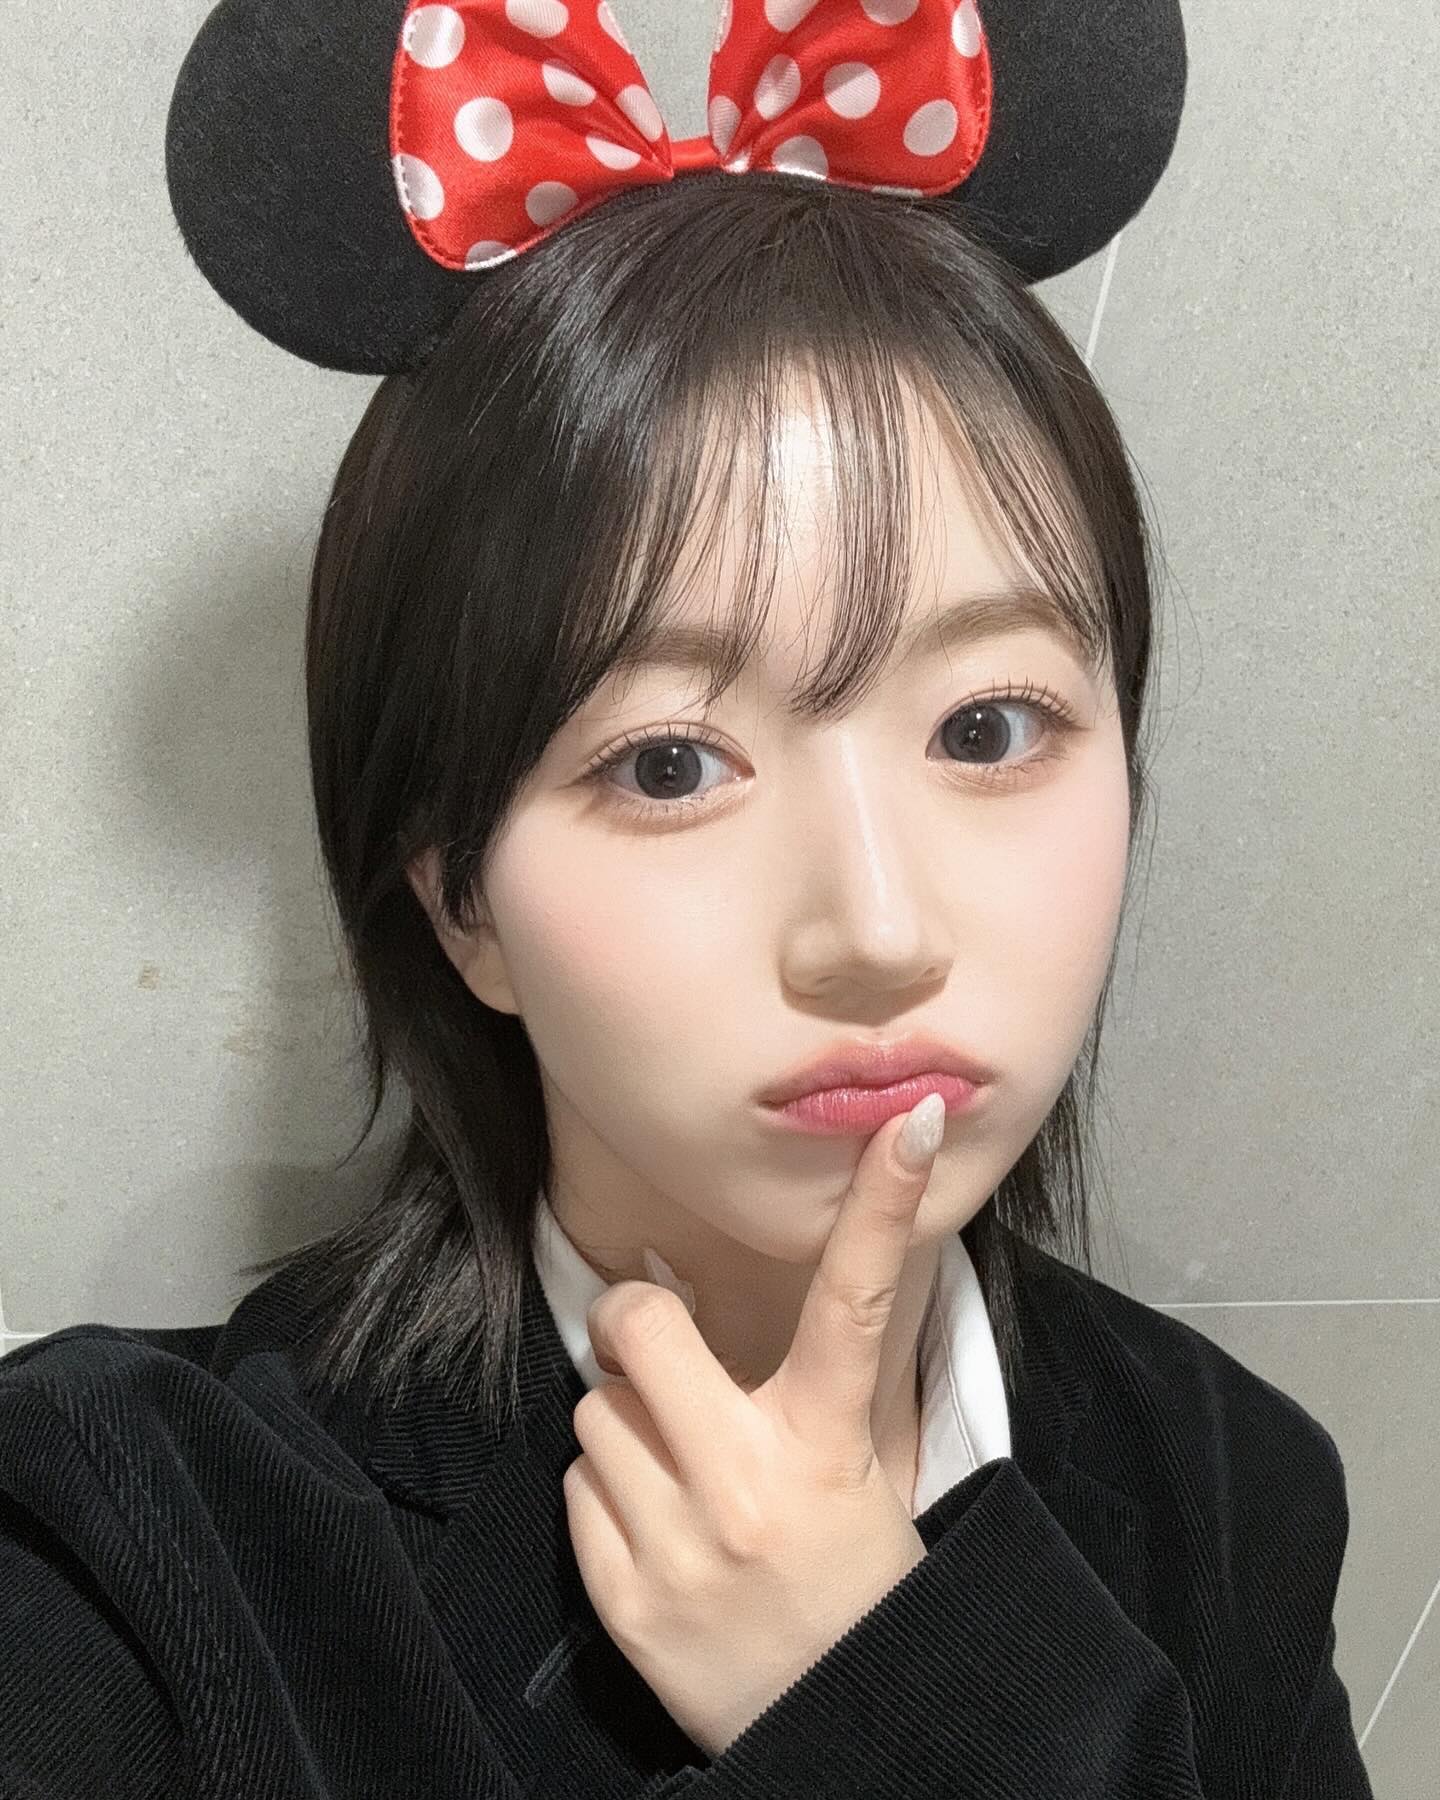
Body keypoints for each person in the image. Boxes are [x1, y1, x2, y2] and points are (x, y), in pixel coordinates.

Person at [0, 1, 1376, 1794]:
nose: (878, 929)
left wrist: (922, 1704)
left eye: (988, 725)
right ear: (457, 898)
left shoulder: (1238, 1489)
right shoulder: (131, 1546)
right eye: (667, 764)